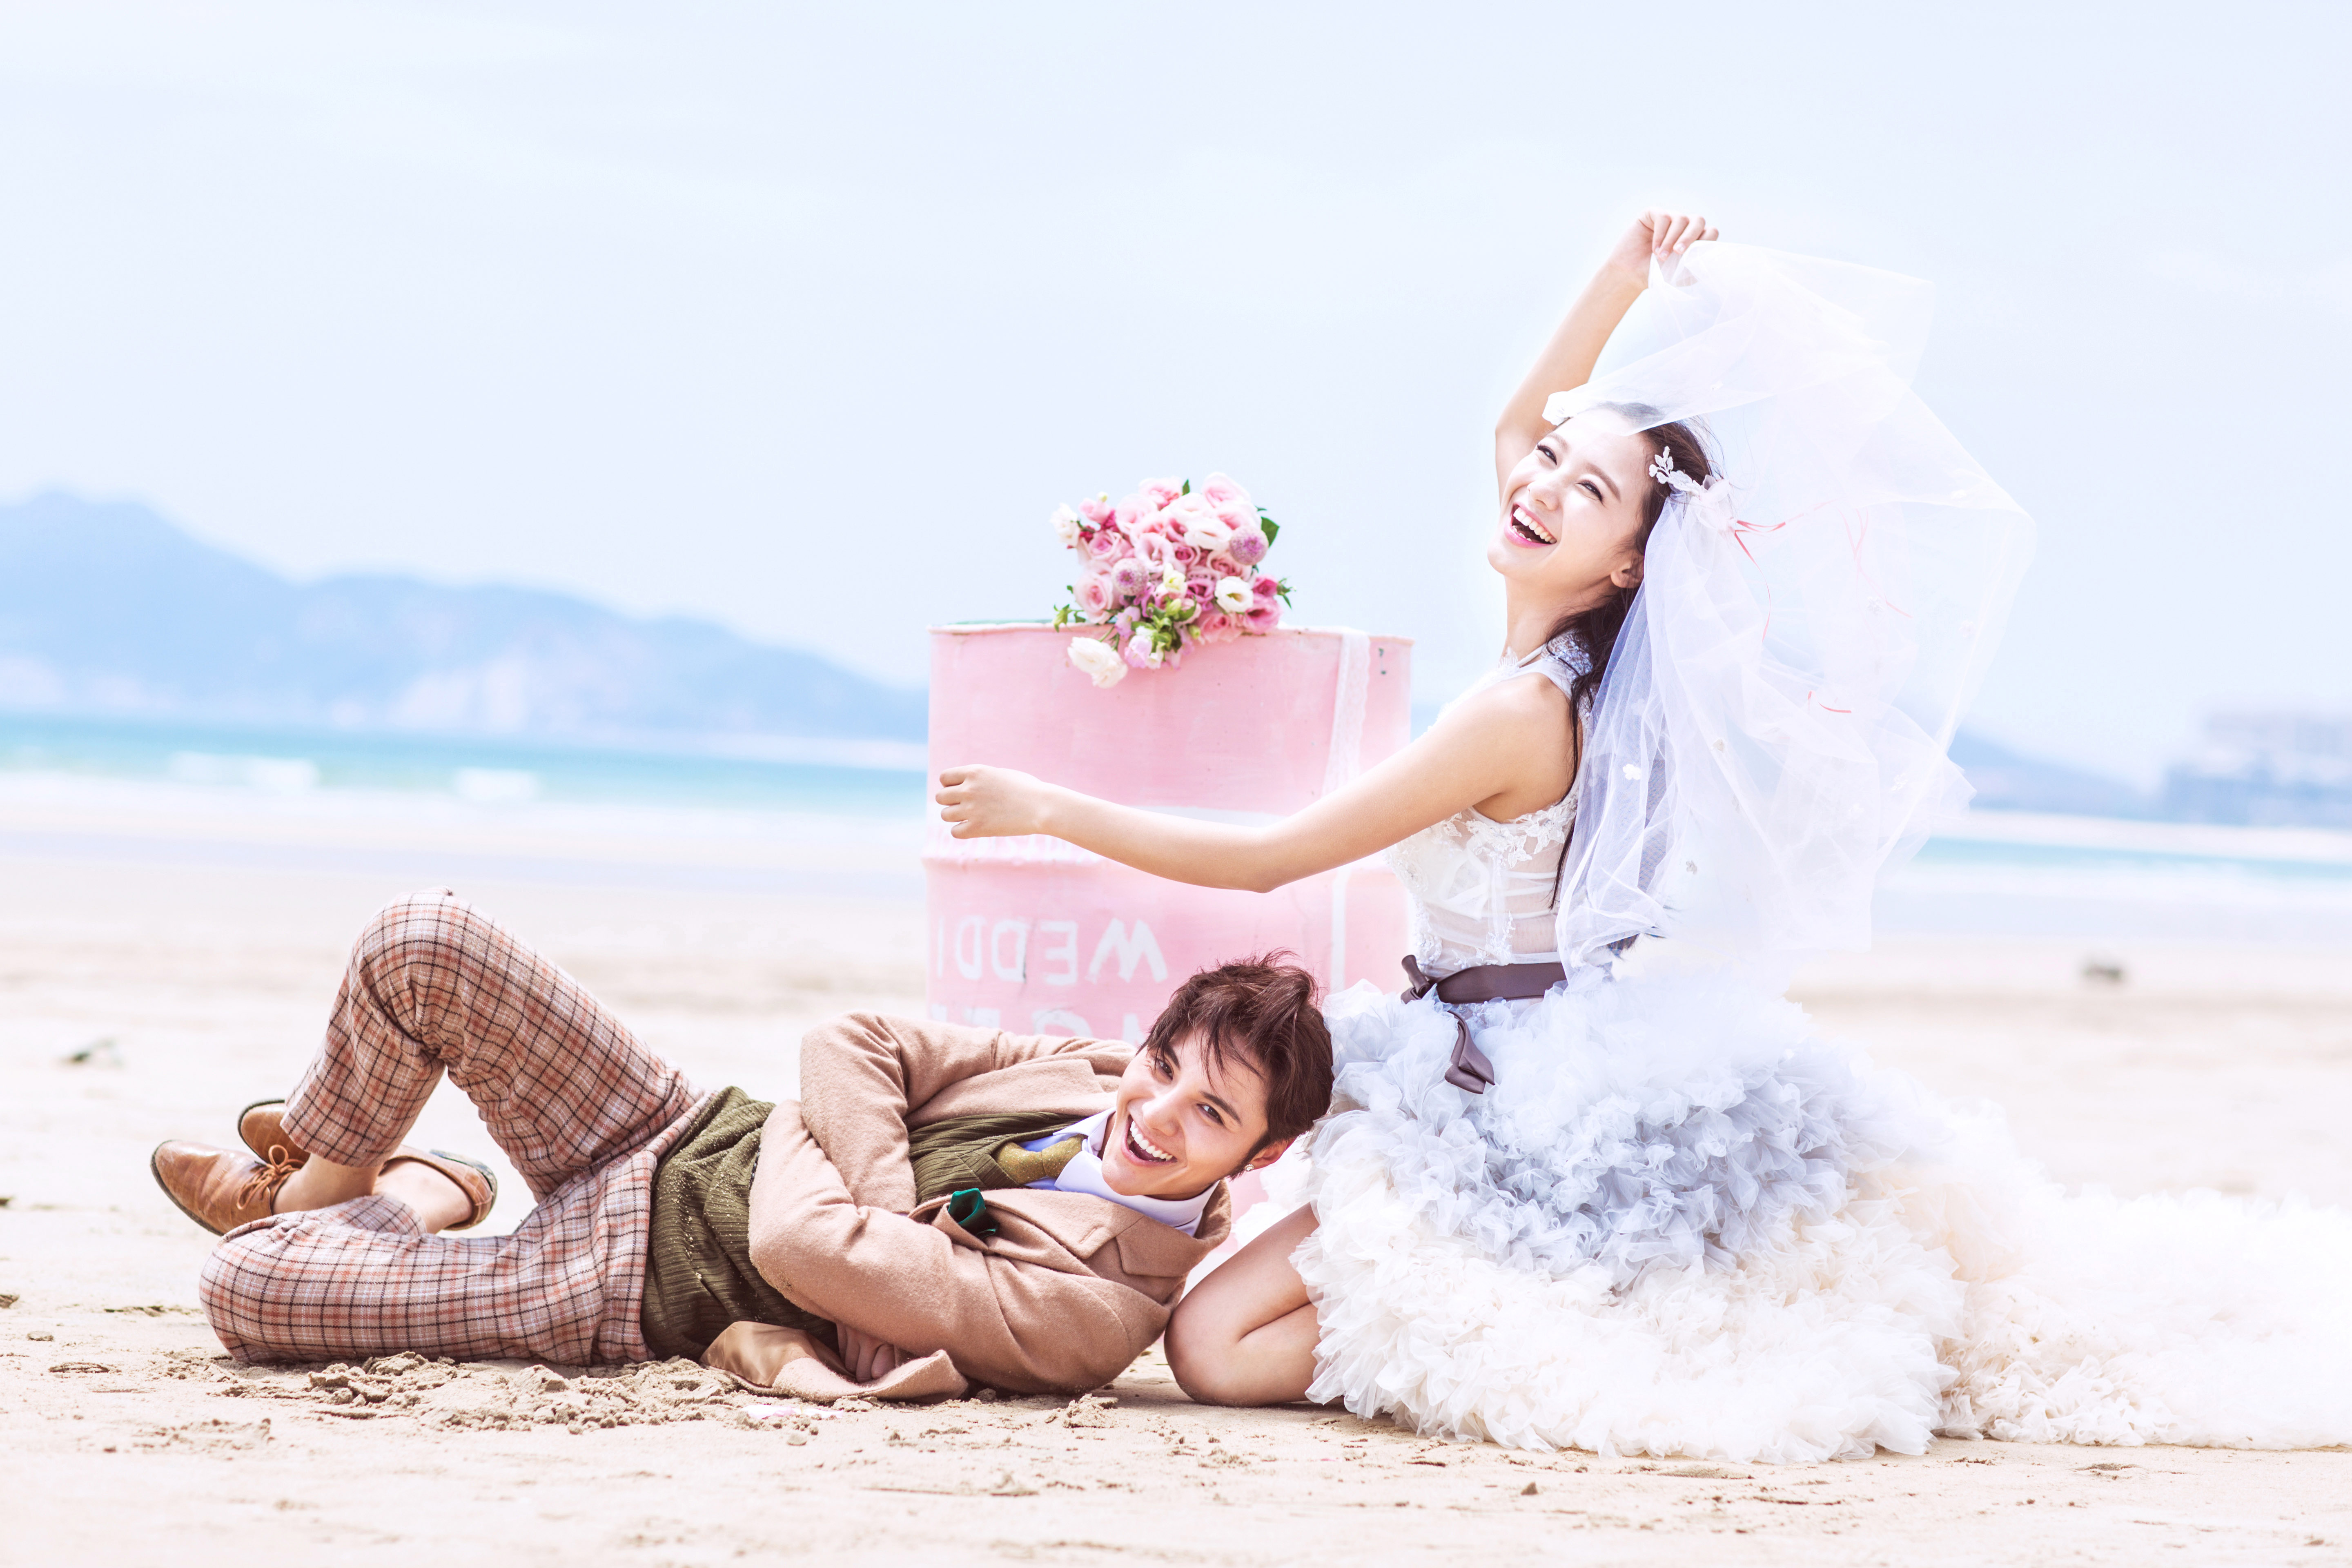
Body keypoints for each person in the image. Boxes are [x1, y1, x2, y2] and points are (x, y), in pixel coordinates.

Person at [936, 213, 2352, 1458]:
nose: (1540, 485)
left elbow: (1269, 859)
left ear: (1628, 564)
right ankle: (1488, 1292)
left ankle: (1521, 1317)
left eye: (1586, 491)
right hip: (1459, 1045)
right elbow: (1513, 428)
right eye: (1553, 464)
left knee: (1217, 1352)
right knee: (1225, 1311)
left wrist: (1048, 807)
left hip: (1513, 1084)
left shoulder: (1520, 715)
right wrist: (1621, 274)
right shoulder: (1546, 654)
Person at [151, 889, 1332, 1397]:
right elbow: (850, 1039)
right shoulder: (1092, 1069)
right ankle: (324, 1182)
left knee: (245, 1289)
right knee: (422, 939)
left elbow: (799, 1247)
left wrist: (830, 1137)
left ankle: (414, 1195)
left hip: (625, 1284)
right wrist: (880, 1201)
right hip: (677, 1122)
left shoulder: (1096, 1311)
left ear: (1260, 1158)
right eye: (1166, 1065)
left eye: (1211, 1116)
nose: (1155, 1112)